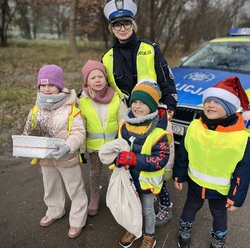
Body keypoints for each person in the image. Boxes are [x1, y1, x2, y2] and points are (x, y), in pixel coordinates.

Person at [103, 0, 177, 226]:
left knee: (161, 160)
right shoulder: (107, 57)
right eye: (117, 25)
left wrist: (170, 106)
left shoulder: (150, 48)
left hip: (156, 112)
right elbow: (103, 87)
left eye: (126, 23)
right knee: (134, 158)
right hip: (129, 114)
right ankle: (139, 200)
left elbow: (167, 80)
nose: (122, 28)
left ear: (133, 25)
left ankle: (165, 204)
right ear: (112, 29)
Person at [173, 76, 250, 248]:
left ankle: (218, 239)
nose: (210, 104)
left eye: (217, 102)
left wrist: (236, 197)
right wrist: (179, 175)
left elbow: (243, 172)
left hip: (221, 191)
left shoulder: (242, 139)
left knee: (219, 214)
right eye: (208, 100)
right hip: (195, 184)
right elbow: (183, 153)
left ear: (230, 108)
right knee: (190, 208)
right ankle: (184, 230)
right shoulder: (195, 127)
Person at [23, 64, 88, 239]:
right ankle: (54, 210)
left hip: (66, 156)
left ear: (59, 86)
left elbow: (79, 133)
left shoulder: (70, 109)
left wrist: (67, 146)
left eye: (51, 85)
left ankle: (78, 218)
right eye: (42, 85)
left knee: (75, 188)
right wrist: (26, 143)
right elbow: (29, 130)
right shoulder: (36, 109)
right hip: (45, 158)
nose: (46, 89)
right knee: (50, 185)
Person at [115, 81, 171, 248]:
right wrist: (115, 161)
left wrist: (133, 159)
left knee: (147, 209)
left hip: (146, 181)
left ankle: (149, 235)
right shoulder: (124, 125)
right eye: (134, 101)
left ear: (152, 106)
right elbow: (117, 146)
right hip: (128, 179)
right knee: (131, 207)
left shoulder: (158, 132)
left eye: (143, 103)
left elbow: (161, 159)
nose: (137, 106)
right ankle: (133, 229)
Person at [79, 60, 127, 216]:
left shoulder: (115, 98)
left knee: (113, 172)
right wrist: (81, 149)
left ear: (106, 79)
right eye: (93, 78)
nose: (97, 80)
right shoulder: (83, 100)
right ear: (87, 82)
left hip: (112, 146)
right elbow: (80, 125)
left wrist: (122, 143)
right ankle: (94, 197)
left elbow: (122, 121)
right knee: (94, 172)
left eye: (100, 76)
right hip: (94, 147)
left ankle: (114, 197)